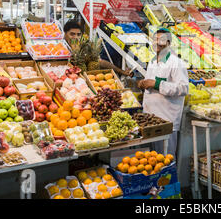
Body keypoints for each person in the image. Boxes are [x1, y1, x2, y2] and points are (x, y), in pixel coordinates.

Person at [137, 28, 189, 156]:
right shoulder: (153, 62)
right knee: (150, 160)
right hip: (150, 120)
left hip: (166, 121)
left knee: (165, 158)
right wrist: (143, 84)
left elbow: (183, 88)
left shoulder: (176, 63)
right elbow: (151, 83)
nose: (158, 43)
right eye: (155, 39)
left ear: (169, 43)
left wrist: (157, 84)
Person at [63, 20, 132, 77]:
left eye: (78, 34)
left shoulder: (83, 46)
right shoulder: (58, 48)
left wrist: (122, 71)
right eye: (72, 34)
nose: (76, 37)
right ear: (65, 34)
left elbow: (100, 62)